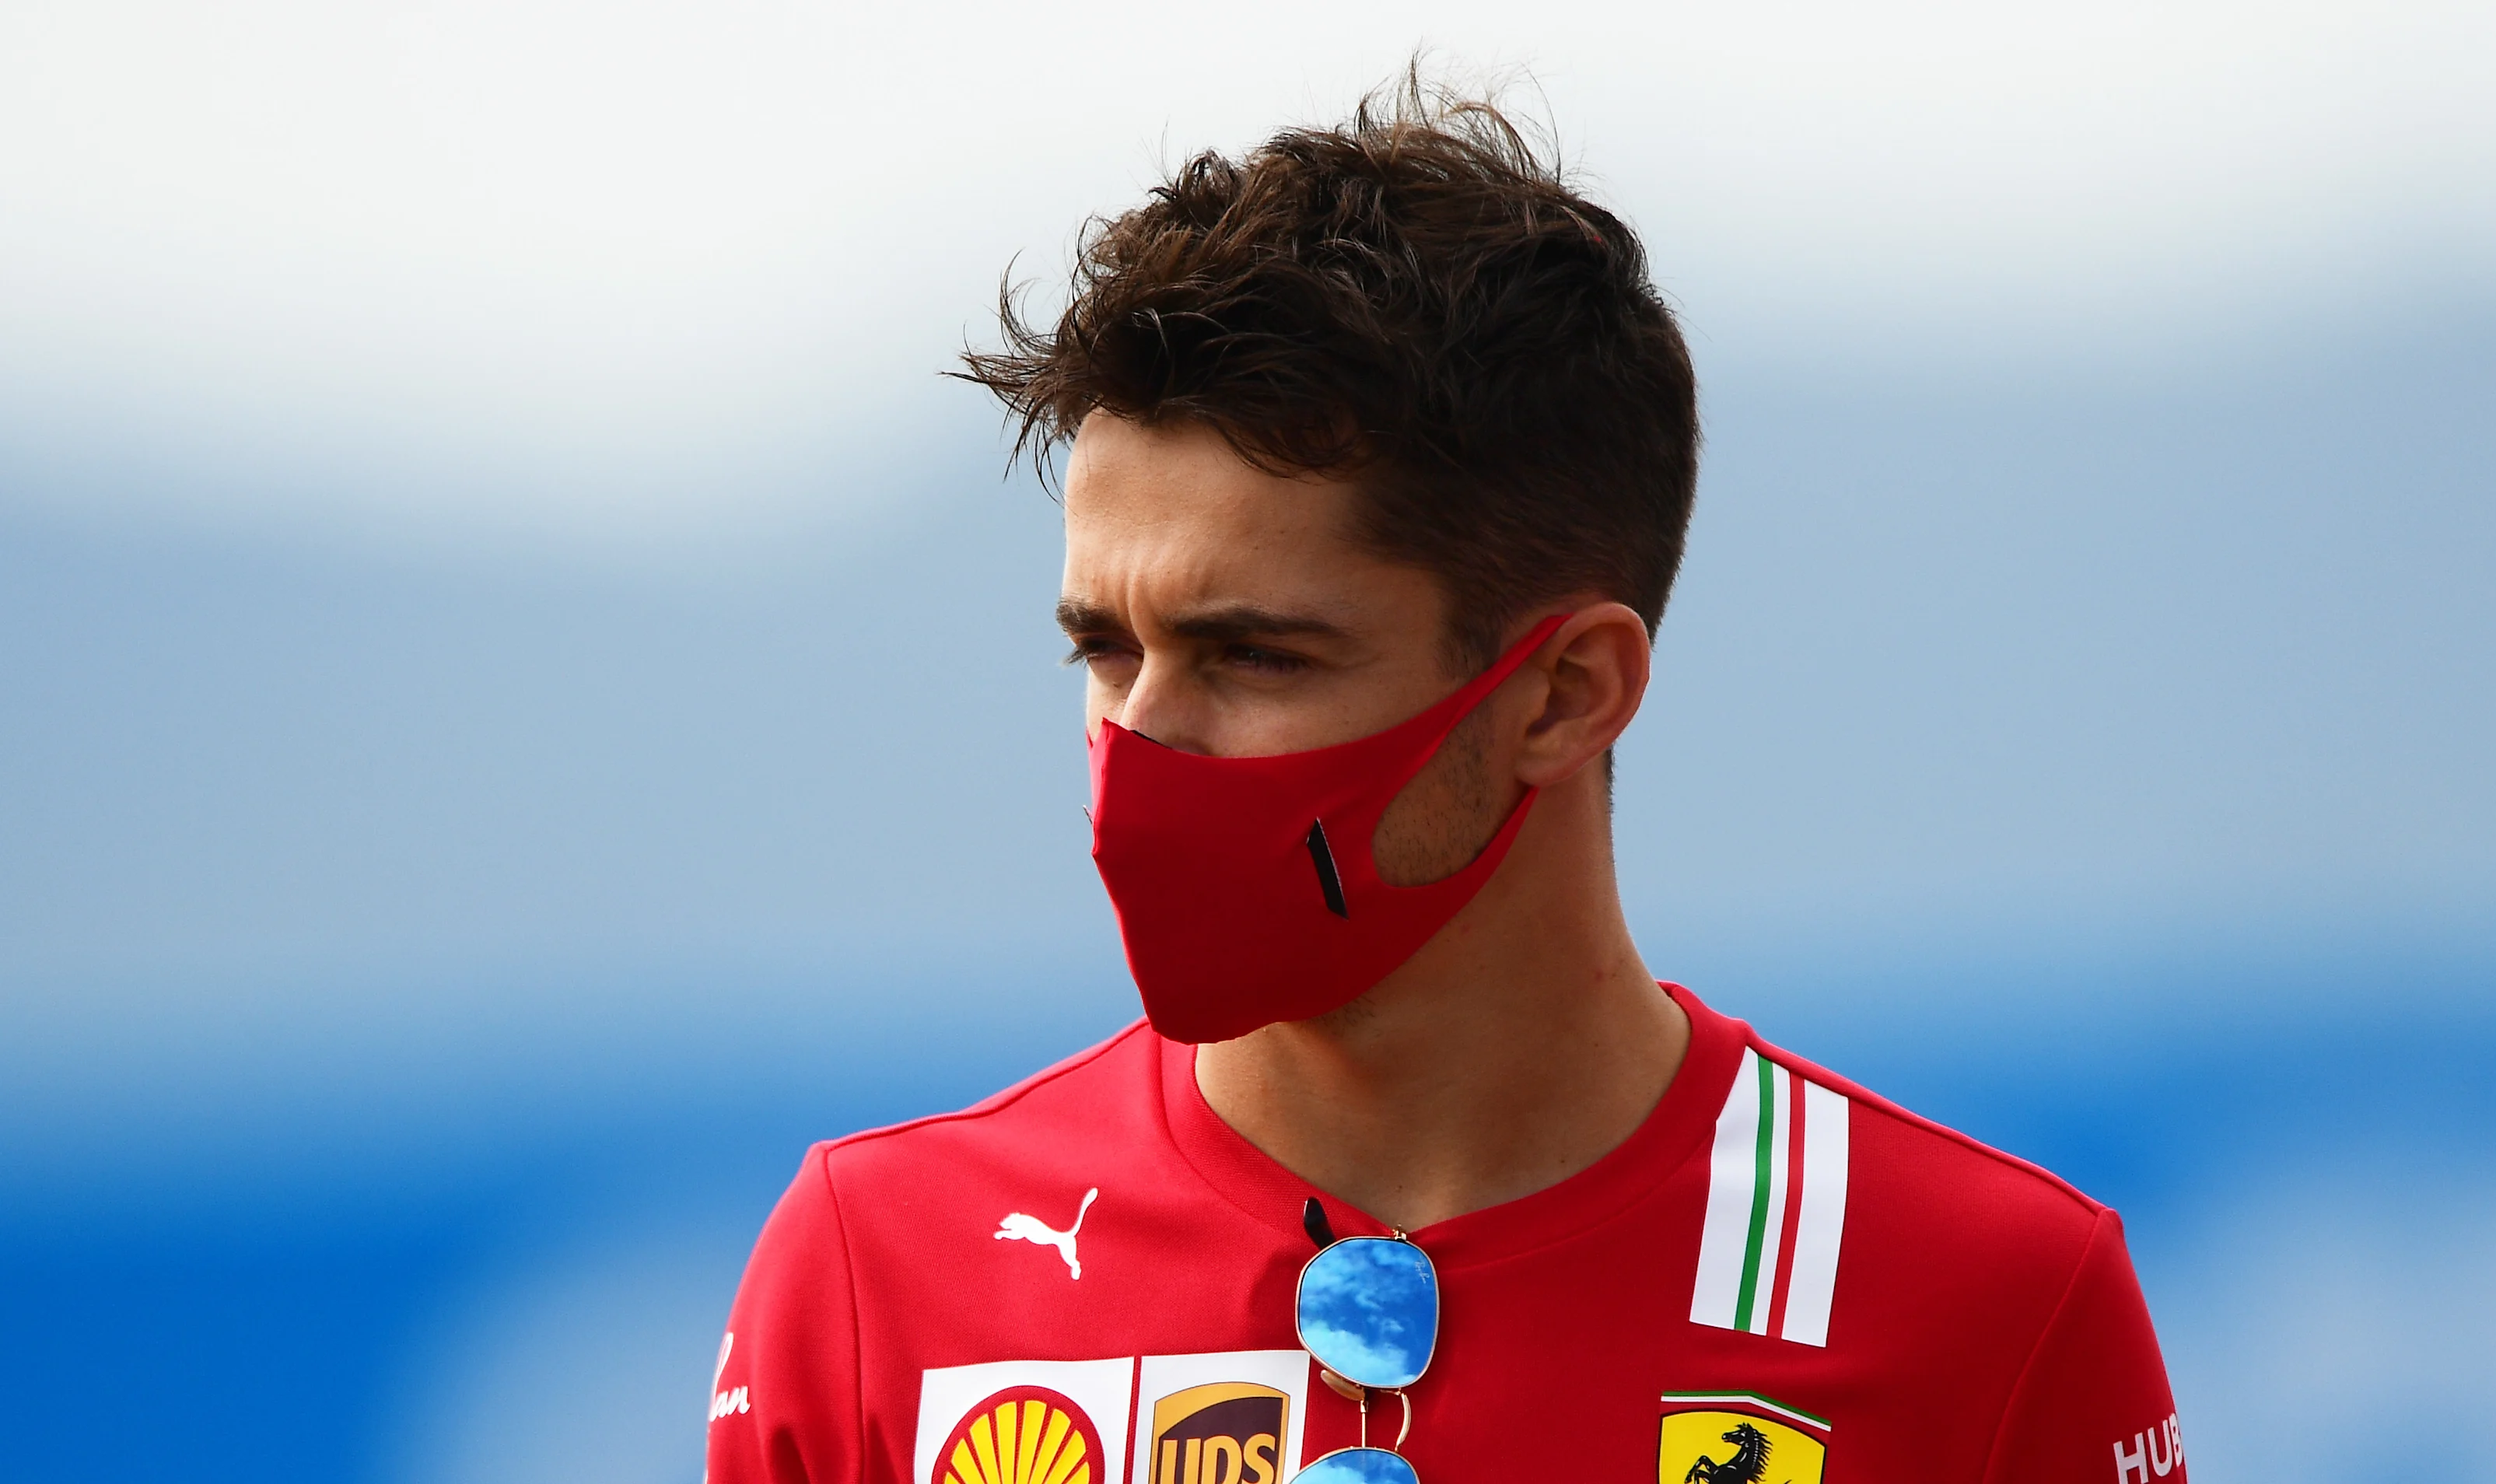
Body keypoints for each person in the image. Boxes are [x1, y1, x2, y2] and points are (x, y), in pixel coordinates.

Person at [706, 80, 2184, 1484]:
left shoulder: (1988, 1297)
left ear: (1565, 693)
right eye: (1106, 650)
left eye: (1253, 656)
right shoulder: (879, 1268)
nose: (1143, 741)